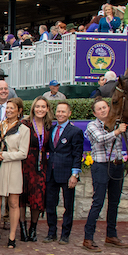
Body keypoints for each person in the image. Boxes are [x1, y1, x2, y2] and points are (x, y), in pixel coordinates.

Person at [83, 99, 128, 252]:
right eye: (99, 109)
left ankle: (111, 235)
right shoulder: (92, 125)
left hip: (117, 165)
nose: (102, 110)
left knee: (114, 202)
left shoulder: (117, 122)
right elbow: (100, 139)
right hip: (101, 166)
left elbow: (127, 137)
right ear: (95, 113)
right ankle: (88, 238)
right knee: (98, 202)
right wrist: (117, 131)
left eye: (104, 107)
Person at [0, 98, 29, 248]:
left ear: (19, 110)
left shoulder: (24, 129)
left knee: (13, 203)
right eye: (7, 108)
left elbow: (23, 153)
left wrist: (4, 155)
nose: (9, 110)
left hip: (13, 168)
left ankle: (12, 236)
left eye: (12, 108)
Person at [43, 101, 83, 245]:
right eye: (58, 111)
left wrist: (75, 175)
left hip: (67, 175)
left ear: (69, 113)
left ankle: (65, 234)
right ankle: (51, 232)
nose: (60, 114)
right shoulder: (51, 129)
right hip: (51, 173)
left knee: (68, 206)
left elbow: (77, 155)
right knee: (50, 205)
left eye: (63, 112)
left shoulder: (75, 132)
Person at [19, 97, 51, 242]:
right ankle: (22, 229)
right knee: (21, 198)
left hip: (40, 166)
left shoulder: (49, 126)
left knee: (37, 199)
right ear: (33, 108)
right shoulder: (25, 124)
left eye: (43, 107)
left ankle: (33, 228)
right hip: (24, 165)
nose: (40, 109)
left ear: (47, 109)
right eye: (37, 106)